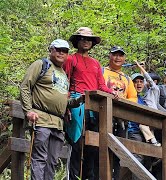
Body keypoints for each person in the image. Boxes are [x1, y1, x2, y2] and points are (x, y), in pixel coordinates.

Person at [20, 39, 81, 180]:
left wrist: (78, 101)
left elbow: (63, 101)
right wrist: (28, 110)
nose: (61, 53)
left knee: (52, 161)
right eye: (58, 49)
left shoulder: (64, 75)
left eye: (64, 51)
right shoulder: (41, 64)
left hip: (58, 124)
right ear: (51, 50)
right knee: (40, 158)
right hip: (41, 119)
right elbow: (25, 86)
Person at [63, 27, 116, 180]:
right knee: (76, 142)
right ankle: (71, 177)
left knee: (93, 145)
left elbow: (101, 86)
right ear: (77, 41)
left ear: (92, 43)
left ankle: (88, 177)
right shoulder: (71, 59)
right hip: (76, 102)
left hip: (93, 106)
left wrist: (112, 93)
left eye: (89, 39)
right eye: (82, 38)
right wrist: (66, 106)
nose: (86, 41)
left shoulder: (95, 63)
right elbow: (65, 81)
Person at [102, 46, 137, 179]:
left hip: (121, 119)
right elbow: (97, 85)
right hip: (103, 115)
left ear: (124, 59)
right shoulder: (102, 71)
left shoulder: (126, 78)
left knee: (118, 153)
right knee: (101, 149)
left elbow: (133, 97)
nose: (118, 58)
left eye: (120, 55)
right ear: (109, 56)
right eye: (115, 55)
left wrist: (123, 101)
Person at [134, 61, 161, 146]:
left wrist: (139, 66)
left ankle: (153, 142)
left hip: (153, 114)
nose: (146, 82)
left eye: (149, 81)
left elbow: (147, 78)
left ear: (155, 82)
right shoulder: (146, 92)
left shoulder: (155, 90)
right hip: (149, 114)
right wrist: (141, 69)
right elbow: (141, 81)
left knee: (142, 126)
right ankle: (154, 144)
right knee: (149, 131)